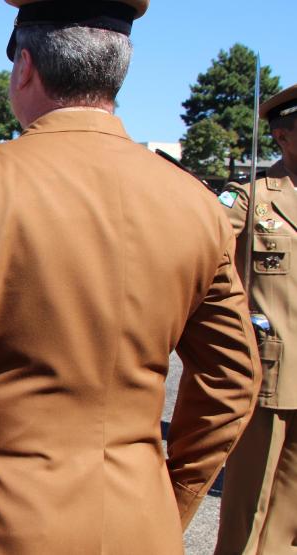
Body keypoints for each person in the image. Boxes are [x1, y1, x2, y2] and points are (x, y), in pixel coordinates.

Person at [0, 2, 263, 554]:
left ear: (25, 68)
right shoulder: (196, 204)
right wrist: (170, 498)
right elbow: (231, 383)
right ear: (120, 68)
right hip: (142, 523)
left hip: (5, 524)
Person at [215, 83, 297, 555]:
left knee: (291, 514)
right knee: (252, 506)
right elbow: (204, 258)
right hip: (272, 375)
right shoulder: (250, 198)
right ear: (284, 135)